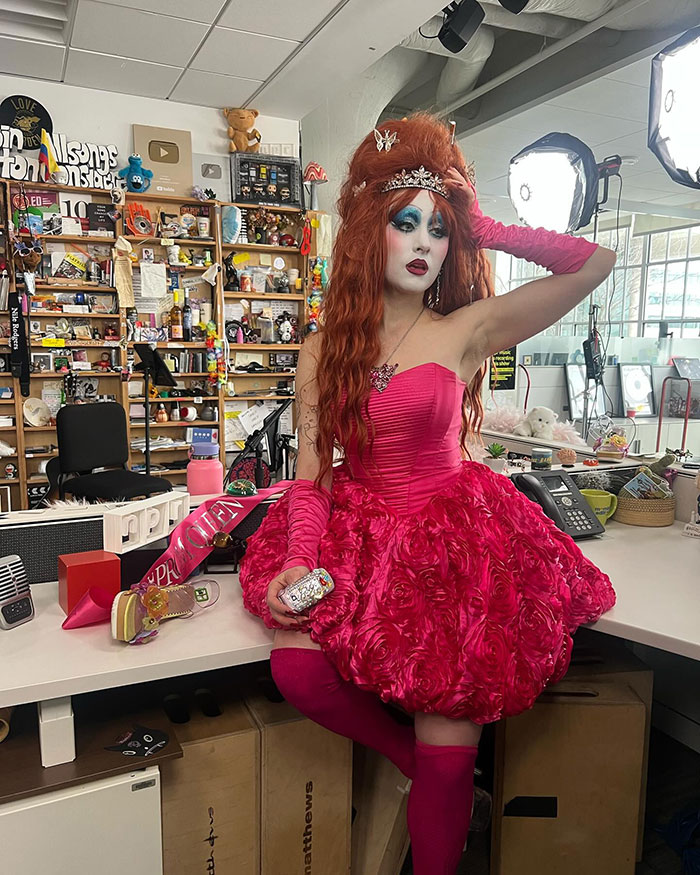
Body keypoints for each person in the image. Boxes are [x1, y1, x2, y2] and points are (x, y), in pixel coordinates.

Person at [240, 113, 617, 874]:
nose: (422, 243)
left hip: (455, 541)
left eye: (437, 230)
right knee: (297, 668)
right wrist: (297, 559)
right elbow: (312, 472)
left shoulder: (468, 327)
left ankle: (441, 786)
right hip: (361, 530)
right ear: (366, 232)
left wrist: (484, 224)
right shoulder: (322, 348)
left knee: (451, 761)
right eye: (404, 223)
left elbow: (593, 264)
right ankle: (411, 759)